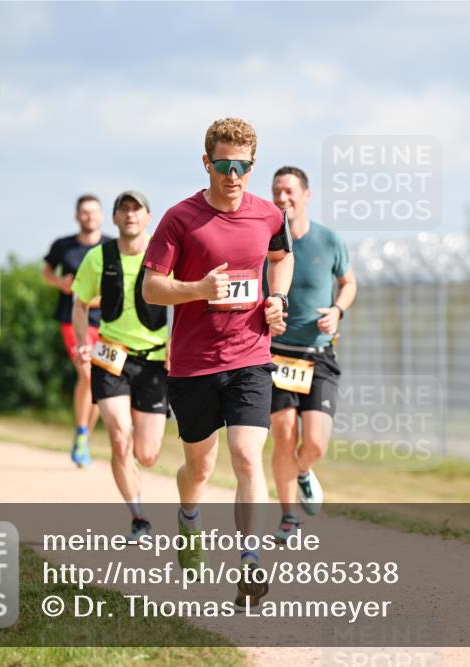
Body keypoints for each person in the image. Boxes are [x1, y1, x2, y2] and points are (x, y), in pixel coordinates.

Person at [142, 116, 293, 608]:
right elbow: (150, 286)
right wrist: (198, 290)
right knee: (199, 468)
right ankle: (188, 517)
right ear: (207, 162)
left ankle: (249, 562)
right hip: (193, 364)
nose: (233, 175)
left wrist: (278, 299)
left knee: (248, 455)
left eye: (243, 166)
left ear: (253, 165)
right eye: (224, 164)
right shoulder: (179, 218)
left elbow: (280, 256)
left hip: (251, 354)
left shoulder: (268, 215)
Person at [267, 166, 356, 541]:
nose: (282, 198)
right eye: (276, 192)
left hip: (318, 355)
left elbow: (348, 283)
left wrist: (337, 311)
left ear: (306, 195)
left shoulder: (329, 240)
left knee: (315, 443)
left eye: (289, 191)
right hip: (277, 355)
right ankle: (289, 518)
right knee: (284, 434)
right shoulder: (267, 240)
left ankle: (303, 471)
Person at [72, 190, 169, 539]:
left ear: (148, 216)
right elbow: (80, 303)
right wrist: (84, 342)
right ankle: (139, 517)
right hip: (110, 356)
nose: (130, 215)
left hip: (155, 361)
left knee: (147, 453)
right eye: (123, 210)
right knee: (119, 435)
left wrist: (178, 346)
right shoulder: (98, 257)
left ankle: (137, 484)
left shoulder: (164, 254)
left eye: (136, 209)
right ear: (113, 219)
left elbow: (185, 301)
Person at [44, 194, 110, 467]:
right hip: (72, 318)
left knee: (99, 380)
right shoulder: (63, 246)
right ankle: (82, 434)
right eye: (84, 212)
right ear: (77, 216)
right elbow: (46, 273)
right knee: (87, 371)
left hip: (106, 323)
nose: (89, 216)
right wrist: (60, 283)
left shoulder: (111, 247)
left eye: (94, 212)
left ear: (102, 216)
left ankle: (83, 436)